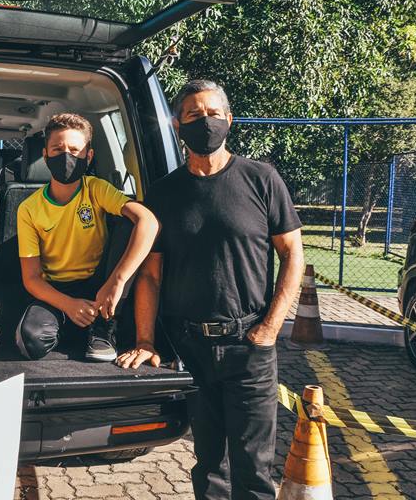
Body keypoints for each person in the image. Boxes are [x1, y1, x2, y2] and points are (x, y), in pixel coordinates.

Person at [117, 80, 304, 500]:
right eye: (194, 115)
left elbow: (293, 255)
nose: (206, 122)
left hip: (249, 346)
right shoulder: (165, 192)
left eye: (214, 113)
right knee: (208, 469)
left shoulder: (261, 179)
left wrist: (270, 329)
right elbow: (150, 274)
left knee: (253, 471)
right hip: (191, 349)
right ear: (177, 124)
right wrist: (145, 339)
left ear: (229, 119)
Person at [15, 113, 159, 362]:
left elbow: (149, 221)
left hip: (100, 283)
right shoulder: (29, 208)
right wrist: (68, 305)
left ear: (88, 156)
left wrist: (117, 281)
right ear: (46, 154)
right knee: (31, 342)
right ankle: (74, 322)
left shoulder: (96, 189)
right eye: (57, 149)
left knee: (130, 223)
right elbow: (31, 279)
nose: (66, 155)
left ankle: (104, 325)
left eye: (74, 149)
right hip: (57, 289)